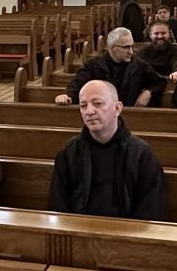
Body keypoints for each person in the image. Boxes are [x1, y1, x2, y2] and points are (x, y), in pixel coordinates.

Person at [48, 80, 165, 221]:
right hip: (78, 230)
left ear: (117, 109)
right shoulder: (69, 153)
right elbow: (58, 208)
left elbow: (150, 211)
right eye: (83, 106)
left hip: (128, 232)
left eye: (97, 104)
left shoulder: (142, 155)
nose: (89, 111)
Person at [58, 28, 161, 109]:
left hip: (129, 114)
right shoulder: (93, 65)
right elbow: (77, 83)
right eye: (126, 47)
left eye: (132, 46)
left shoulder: (138, 65)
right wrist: (68, 96)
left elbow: (160, 81)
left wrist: (148, 92)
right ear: (111, 48)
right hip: (101, 114)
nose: (131, 51)